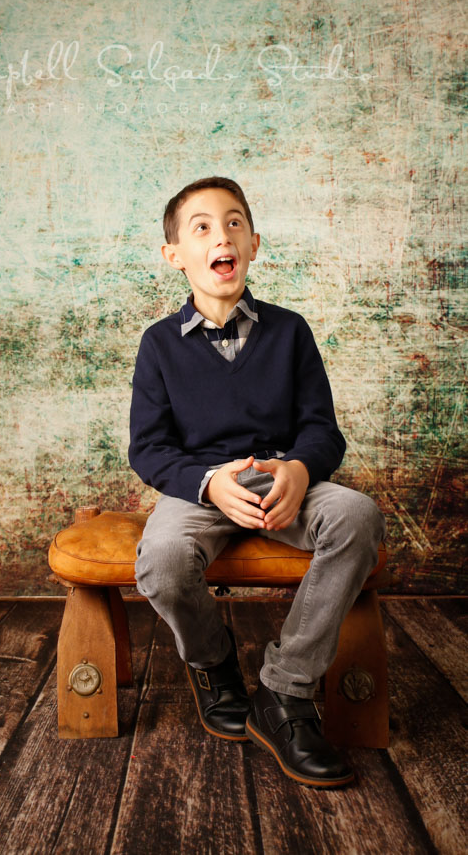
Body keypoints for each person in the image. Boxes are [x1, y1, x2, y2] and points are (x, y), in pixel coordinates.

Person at [128, 176, 386, 789]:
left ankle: (285, 692)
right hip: (201, 487)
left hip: (281, 479)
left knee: (356, 516)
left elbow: (323, 432)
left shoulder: (291, 330)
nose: (223, 235)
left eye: (235, 222)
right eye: (204, 227)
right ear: (175, 257)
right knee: (161, 560)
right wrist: (211, 482)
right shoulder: (159, 345)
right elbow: (149, 449)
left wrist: (299, 469)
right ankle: (216, 665)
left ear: (254, 242)